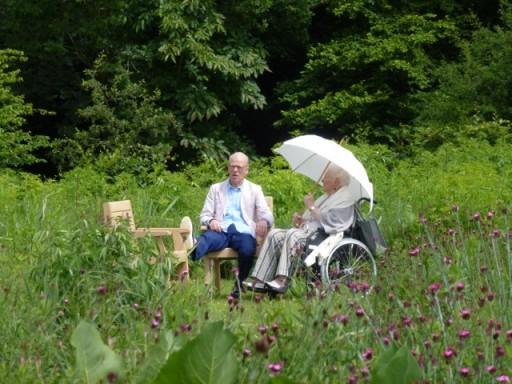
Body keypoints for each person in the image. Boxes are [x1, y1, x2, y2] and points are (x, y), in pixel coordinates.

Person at [244, 164, 355, 293]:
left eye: (326, 178)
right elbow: (314, 219)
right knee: (275, 234)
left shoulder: (345, 198)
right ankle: (261, 280)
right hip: (308, 234)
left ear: (336, 181)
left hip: (323, 238)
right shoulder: (326, 196)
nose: (322, 180)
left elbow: (331, 222)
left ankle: (281, 280)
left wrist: (311, 207)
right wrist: (302, 221)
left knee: (293, 234)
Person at [191, 152, 273, 298]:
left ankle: (238, 287)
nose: (235, 170)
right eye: (232, 166)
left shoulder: (255, 189)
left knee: (248, 248)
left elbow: (266, 214)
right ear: (228, 168)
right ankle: (192, 248)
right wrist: (211, 221)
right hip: (221, 230)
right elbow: (205, 214)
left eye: (239, 167)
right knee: (207, 238)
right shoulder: (216, 189)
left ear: (246, 170)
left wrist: (264, 221)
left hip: (243, 232)